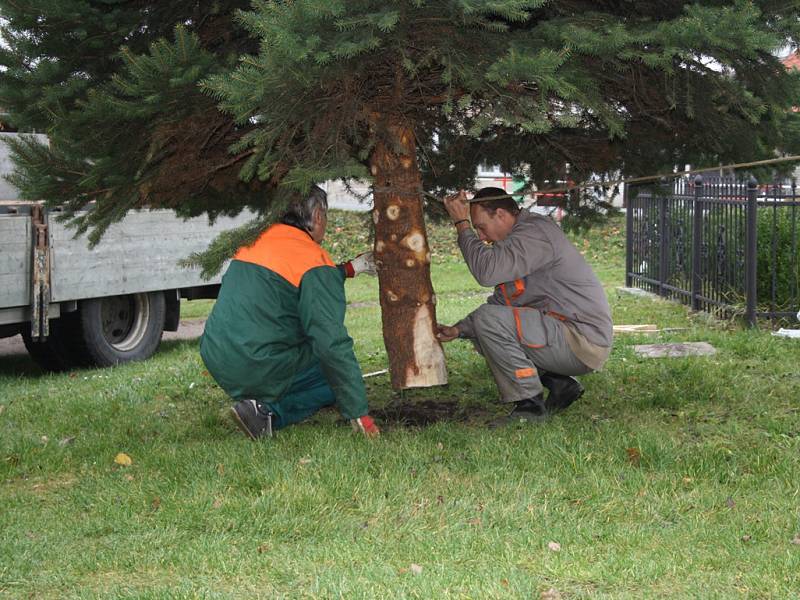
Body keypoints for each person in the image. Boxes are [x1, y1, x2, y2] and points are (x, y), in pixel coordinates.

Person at [200, 185, 380, 440]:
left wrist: (349, 269)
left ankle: (257, 395)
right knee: (332, 376)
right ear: (317, 215)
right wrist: (359, 412)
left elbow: (290, 280)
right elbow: (331, 344)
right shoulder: (313, 259)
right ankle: (266, 413)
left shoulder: (255, 242)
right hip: (255, 364)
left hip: (218, 356)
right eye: (326, 216)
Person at [437, 187, 613, 424]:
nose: (481, 236)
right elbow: (502, 302)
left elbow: (486, 273)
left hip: (582, 341)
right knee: (484, 326)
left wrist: (461, 222)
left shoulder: (534, 233)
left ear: (501, 215)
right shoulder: (517, 242)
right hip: (567, 336)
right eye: (476, 229)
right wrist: (458, 330)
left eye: (480, 226)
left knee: (487, 322)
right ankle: (560, 384)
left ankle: (530, 407)